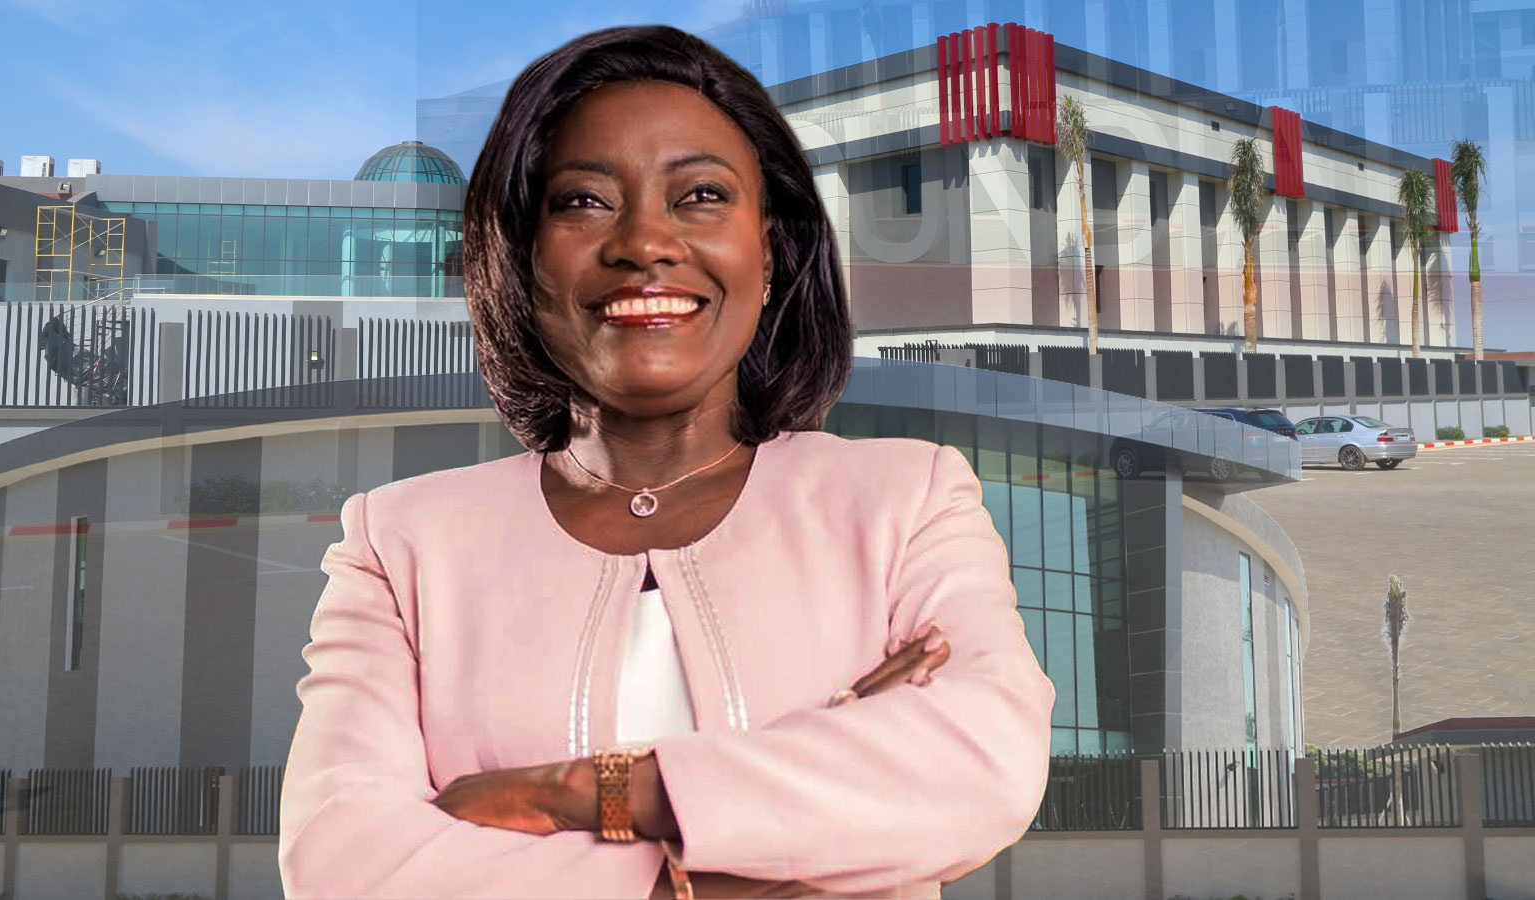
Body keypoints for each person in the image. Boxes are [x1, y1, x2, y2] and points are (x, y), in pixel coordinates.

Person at [278, 24, 1055, 900]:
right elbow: (343, 863)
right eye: (583, 201)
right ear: (522, 258)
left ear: (770, 252)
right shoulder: (398, 545)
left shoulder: (906, 501)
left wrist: (581, 792)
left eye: (701, 196)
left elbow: (984, 760)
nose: (644, 242)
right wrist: (762, 857)